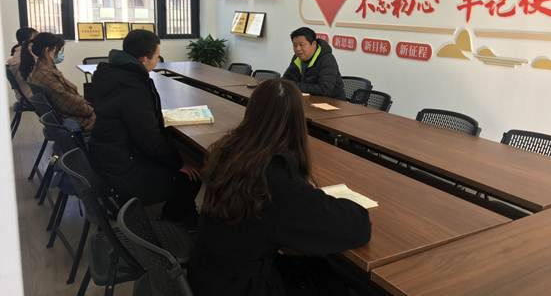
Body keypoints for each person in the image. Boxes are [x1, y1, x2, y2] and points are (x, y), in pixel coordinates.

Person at [189, 79, 371, 296]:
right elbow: (358, 228)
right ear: (298, 123)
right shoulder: (274, 178)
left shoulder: (229, 151)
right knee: (331, 279)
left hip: (207, 274)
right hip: (241, 287)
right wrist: (306, 191)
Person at [88, 30, 200, 223]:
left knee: (176, 154)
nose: (157, 61)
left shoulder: (112, 74)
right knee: (192, 177)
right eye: (156, 57)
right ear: (143, 59)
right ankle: (172, 224)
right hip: (123, 168)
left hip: (107, 155)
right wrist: (179, 162)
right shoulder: (132, 87)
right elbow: (149, 140)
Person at [20, 32, 96, 132]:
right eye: (59, 50)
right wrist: (92, 108)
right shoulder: (47, 76)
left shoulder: (43, 69)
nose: (61, 53)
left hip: (68, 115)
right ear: (47, 50)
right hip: (79, 119)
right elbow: (68, 102)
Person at [283, 27, 346, 99]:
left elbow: (325, 89)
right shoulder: (297, 57)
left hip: (333, 101)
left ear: (313, 44)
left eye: (301, 45)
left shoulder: (327, 59)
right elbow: (286, 80)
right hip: (308, 99)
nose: (298, 49)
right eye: (295, 45)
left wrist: (294, 85)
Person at [6, 27, 37, 100]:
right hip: (34, 97)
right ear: (28, 42)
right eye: (35, 38)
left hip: (23, 98)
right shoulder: (27, 59)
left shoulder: (16, 55)